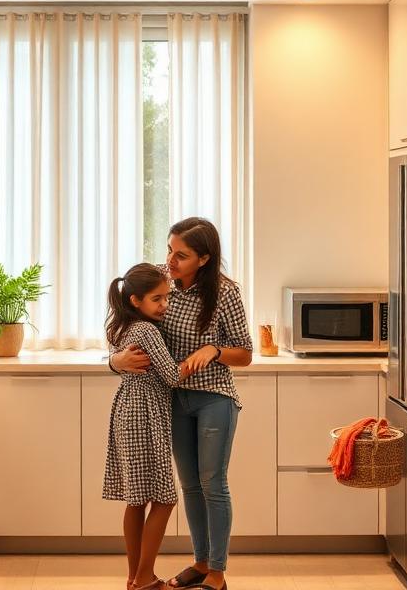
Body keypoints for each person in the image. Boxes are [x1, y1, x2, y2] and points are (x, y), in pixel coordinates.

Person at [110, 218, 252, 590]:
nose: (171, 261)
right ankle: (201, 563)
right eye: (169, 250)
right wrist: (115, 361)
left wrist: (215, 350)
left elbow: (245, 353)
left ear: (203, 259)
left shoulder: (225, 293)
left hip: (214, 398)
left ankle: (218, 575)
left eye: (182, 255)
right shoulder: (161, 283)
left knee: (213, 484)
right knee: (189, 486)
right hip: (172, 399)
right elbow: (124, 325)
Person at [102, 264, 187, 590]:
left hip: (128, 411)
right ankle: (144, 578)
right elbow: (172, 376)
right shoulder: (148, 331)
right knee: (165, 498)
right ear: (136, 300)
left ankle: (136, 578)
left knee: (137, 500)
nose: (165, 304)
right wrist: (203, 356)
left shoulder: (125, 327)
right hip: (144, 415)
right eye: (158, 299)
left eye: (166, 297)